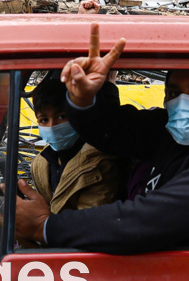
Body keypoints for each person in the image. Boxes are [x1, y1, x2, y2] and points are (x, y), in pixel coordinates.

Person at [14, 26, 189, 251]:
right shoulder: (175, 132)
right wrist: (83, 99)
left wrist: (45, 227)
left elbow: (145, 221)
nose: (183, 102)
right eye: (173, 92)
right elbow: (116, 131)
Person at [27, 75, 125, 212]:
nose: (52, 126)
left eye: (61, 117)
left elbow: (89, 223)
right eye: (44, 120)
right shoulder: (42, 163)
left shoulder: (99, 163)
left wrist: (42, 224)